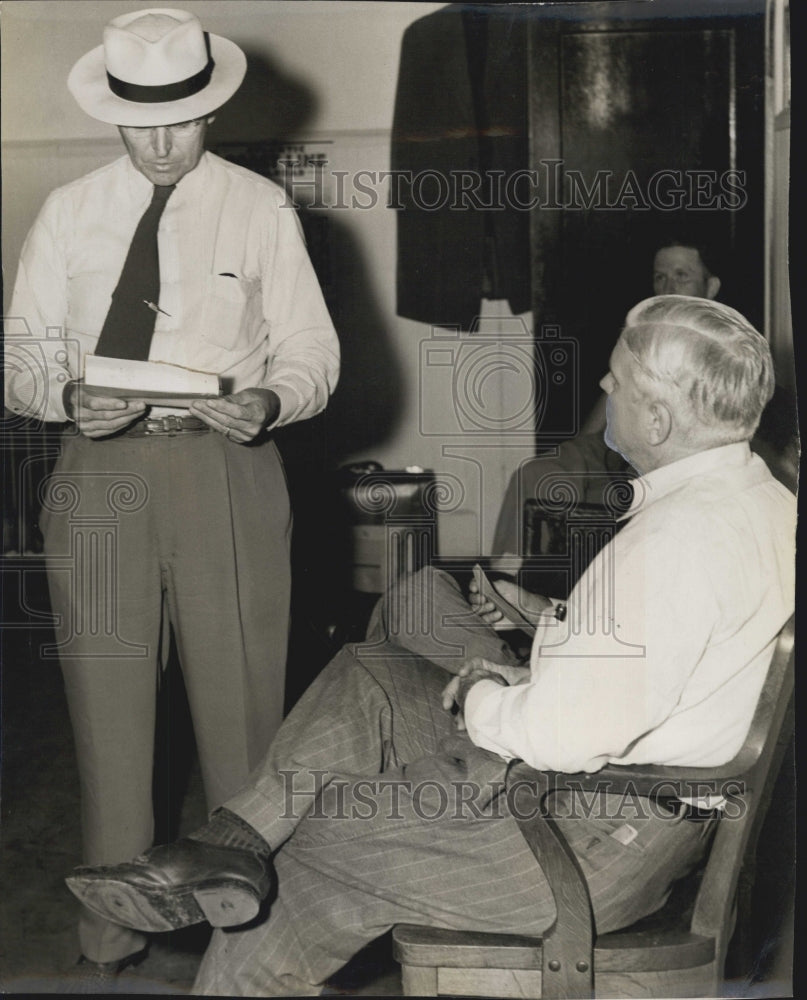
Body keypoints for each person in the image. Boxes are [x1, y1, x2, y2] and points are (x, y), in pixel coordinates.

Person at [65, 296, 794, 996]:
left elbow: (560, 733)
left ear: (659, 417)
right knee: (371, 672)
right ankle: (231, 839)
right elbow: (664, 655)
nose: (602, 387)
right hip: (622, 810)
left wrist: (486, 693)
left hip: (580, 842)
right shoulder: (761, 501)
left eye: (615, 380)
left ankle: (245, 857)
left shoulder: (674, 542)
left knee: (314, 836)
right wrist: (554, 635)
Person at [3, 7, 339, 980]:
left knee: (243, 718)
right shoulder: (68, 212)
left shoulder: (262, 209)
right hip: (100, 473)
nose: (160, 143)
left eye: (183, 121)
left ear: (212, 112)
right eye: (141, 121)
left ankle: (253, 942)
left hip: (227, 468)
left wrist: (275, 397)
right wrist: (65, 394)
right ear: (112, 113)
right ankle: (112, 936)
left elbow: (314, 350)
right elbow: (19, 359)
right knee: (107, 716)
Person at [491, 237, 724, 556]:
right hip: (618, 447)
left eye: (682, 276)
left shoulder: (723, 348)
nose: (667, 287)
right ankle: (507, 587)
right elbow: (606, 409)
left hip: (668, 457)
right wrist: (577, 460)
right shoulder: (640, 332)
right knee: (538, 475)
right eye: (659, 276)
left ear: (711, 288)